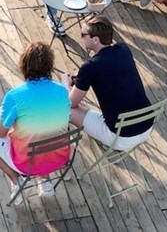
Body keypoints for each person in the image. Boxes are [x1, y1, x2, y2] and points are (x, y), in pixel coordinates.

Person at [0, 41, 71, 204]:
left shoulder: (15, 96)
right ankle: (44, 179)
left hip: (26, 164)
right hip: (59, 158)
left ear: (24, 66)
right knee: (42, 131)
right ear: (50, 66)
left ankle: (15, 179)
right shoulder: (62, 91)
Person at [64, 18, 153, 151]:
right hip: (147, 126)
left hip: (121, 137)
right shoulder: (124, 49)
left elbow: (70, 103)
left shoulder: (90, 67)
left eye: (83, 35)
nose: (81, 37)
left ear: (95, 40)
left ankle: (106, 141)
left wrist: (65, 84)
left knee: (65, 110)